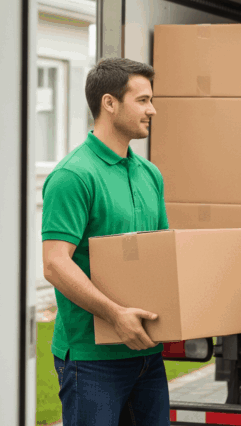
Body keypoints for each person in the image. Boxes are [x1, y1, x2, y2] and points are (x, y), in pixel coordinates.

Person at [41, 57, 170, 426]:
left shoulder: (149, 174)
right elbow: (54, 263)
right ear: (109, 103)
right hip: (92, 359)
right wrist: (115, 315)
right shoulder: (73, 175)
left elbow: (162, 255)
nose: (152, 110)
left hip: (146, 353)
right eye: (142, 100)